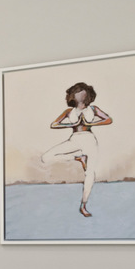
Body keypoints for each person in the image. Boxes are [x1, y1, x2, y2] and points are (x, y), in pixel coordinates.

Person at [40, 81, 112, 217]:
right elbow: (54, 124)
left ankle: (83, 205)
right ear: (73, 95)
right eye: (78, 92)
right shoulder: (69, 111)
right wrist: (72, 124)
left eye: (83, 91)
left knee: (90, 173)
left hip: (90, 140)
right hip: (74, 139)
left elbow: (108, 119)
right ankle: (78, 158)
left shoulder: (93, 109)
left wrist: (91, 123)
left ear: (88, 95)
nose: (80, 94)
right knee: (45, 157)